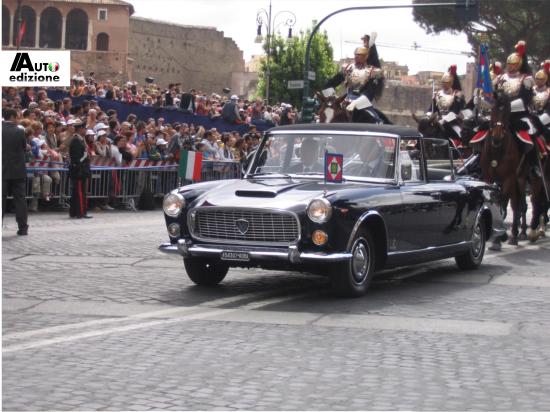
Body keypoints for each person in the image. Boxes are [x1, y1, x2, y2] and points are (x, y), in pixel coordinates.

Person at [493, 40, 540, 176]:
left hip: (519, 114)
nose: (510, 66)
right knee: (482, 130)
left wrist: (506, 107)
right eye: (508, 64)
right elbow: (494, 95)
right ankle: (478, 160)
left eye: (513, 64)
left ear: (519, 64)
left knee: (531, 134)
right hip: (501, 115)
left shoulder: (526, 78)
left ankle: (533, 165)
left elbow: (525, 98)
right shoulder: (500, 77)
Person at [323, 33, 390, 124]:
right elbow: (330, 84)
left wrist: (355, 103)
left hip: (363, 105)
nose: (357, 57)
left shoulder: (375, 72)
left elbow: (369, 94)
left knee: (377, 121)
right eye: (356, 55)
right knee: (323, 116)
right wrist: (333, 99)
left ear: (366, 56)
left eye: (360, 55)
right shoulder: (348, 68)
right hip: (344, 102)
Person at [2, 108, 29, 235]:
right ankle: (23, 228)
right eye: (17, 116)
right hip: (18, 170)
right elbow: (24, 148)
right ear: (12, 117)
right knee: (20, 200)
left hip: (2, 170)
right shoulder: (20, 131)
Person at [430, 64, 465, 147]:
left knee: (460, 136)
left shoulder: (457, 94)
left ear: (451, 83)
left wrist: (443, 121)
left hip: (452, 122)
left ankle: (461, 150)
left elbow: (454, 112)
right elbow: (431, 109)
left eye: (447, 83)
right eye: (443, 83)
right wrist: (428, 118)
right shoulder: (437, 94)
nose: (445, 85)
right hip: (437, 121)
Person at [68, 119, 92, 219]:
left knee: (77, 192)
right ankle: (81, 212)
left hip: (81, 169)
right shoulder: (76, 140)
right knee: (80, 192)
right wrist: (86, 156)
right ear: (80, 129)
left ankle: (74, 211)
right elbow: (77, 159)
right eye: (84, 128)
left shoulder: (80, 140)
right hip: (79, 170)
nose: (85, 130)